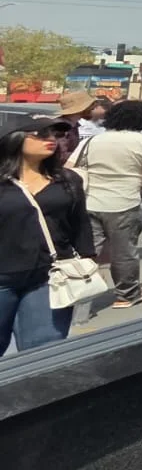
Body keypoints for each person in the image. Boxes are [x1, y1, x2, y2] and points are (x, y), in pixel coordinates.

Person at [0, 116, 92, 351]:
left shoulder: (67, 180)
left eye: (56, 135)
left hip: (50, 277)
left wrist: (87, 259)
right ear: (15, 139)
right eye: (41, 134)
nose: (52, 139)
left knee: (43, 350)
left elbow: (80, 223)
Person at [68, 100, 142, 308]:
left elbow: (69, 167)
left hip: (90, 202)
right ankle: (126, 295)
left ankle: (78, 290)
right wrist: (139, 182)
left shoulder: (92, 140)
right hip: (124, 202)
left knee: (88, 250)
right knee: (124, 252)